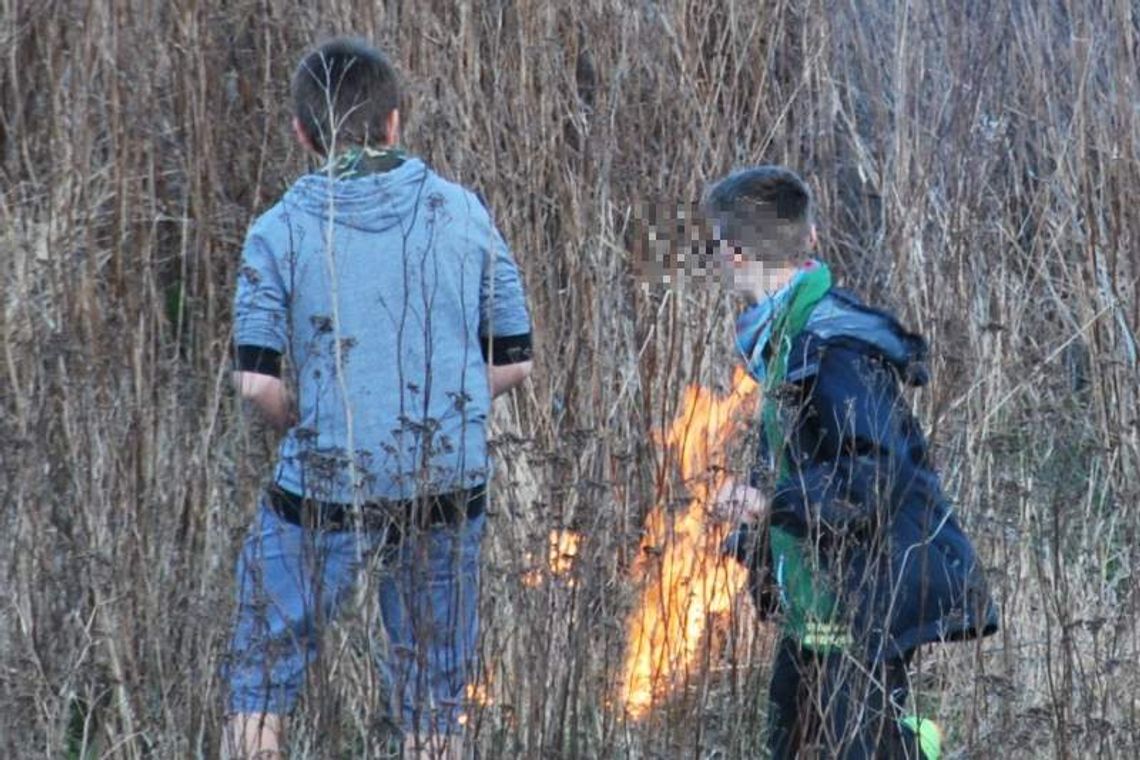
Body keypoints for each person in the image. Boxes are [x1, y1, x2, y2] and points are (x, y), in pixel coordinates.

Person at [224, 37, 533, 759]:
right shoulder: (464, 213)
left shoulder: (278, 231)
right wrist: (451, 402)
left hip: (325, 483)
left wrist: (308, 420)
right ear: (394, 122)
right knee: (434, 691)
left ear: (302, 133)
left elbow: (257, 382)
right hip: (446, 479)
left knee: (261, 679)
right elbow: (515, 361)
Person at [705, 165, 998, 758]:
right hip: (822, 598)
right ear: (810, 238)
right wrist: (756, 538)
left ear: (733, 254)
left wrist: (770, 503)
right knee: (796, 739)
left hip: (864, 595)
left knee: (852, 743)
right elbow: (809, 461)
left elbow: (874, 473)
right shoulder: (788, 338)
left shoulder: (831, 344)